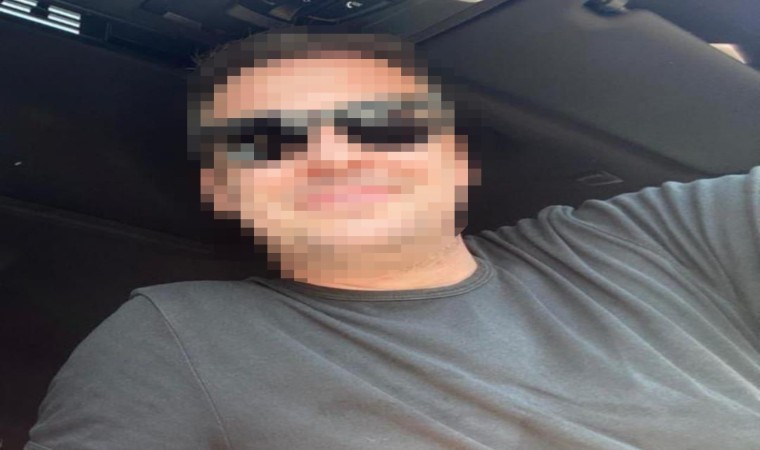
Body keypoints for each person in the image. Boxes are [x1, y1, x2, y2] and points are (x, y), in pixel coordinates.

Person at [25, 29, 760, 450]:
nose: (332, 156)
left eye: (380, 126)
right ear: (223, 190)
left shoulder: (651, 241)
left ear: (457, 160)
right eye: (265, 142)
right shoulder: (178, 336)